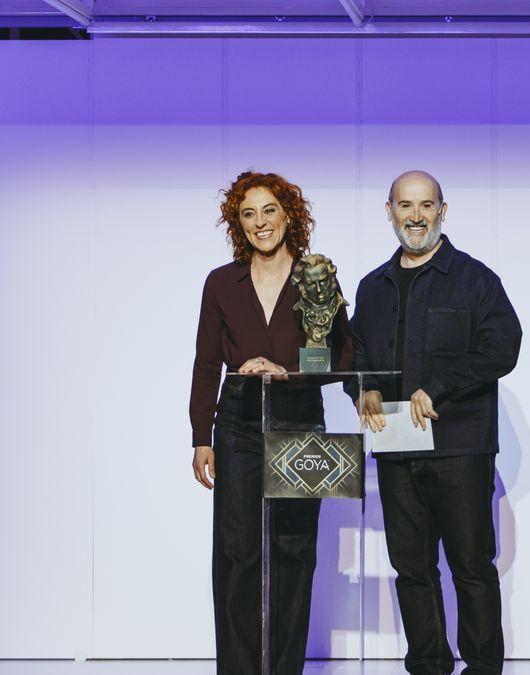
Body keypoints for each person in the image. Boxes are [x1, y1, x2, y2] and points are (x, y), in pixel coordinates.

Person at [347, 170, 522, 675]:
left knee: (470, 567)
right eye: (405, 205)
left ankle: (483, 667)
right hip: (397, 448)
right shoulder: (373, 287)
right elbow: (354, 351)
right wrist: (365, 387)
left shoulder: (474, 278)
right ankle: (427, 664)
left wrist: (439, 385)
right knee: (412, 570)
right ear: (389, 211)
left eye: (426, 205)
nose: (416, 216)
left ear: (443, 211)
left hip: (460, 449)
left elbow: (502, 347)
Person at [189, 170, 352, 675]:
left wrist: (291, 371)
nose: (261, 223)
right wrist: (201, 436)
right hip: (237, 421)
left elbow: (340, 359)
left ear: (289, 214)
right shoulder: (221, 282)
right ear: (238, 224)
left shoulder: (317, 276)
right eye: (248, 214)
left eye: (269, 210)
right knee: (237, 554)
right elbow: (206, 362)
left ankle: (284, 670)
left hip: (300, 419)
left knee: (293, 550)